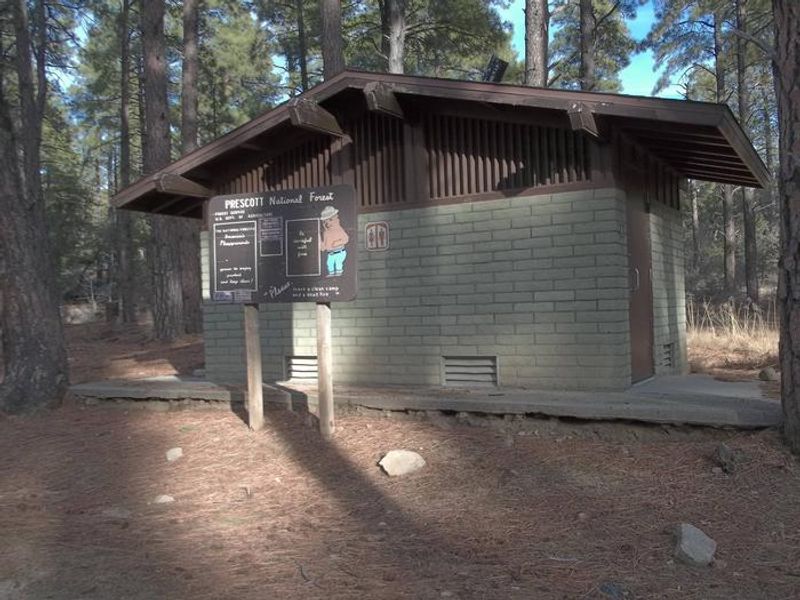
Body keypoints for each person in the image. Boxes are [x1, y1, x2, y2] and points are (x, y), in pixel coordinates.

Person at [319, 206, 349, 276]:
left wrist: (337, 242)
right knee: (329, 263)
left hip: (339, 252)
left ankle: (339, 273)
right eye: (325, 221)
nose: (327, 223)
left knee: (338, 263)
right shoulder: (325, 233)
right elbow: (325, 245)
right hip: (330, 254)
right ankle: (331, 274)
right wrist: (321, 244)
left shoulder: (339, 229)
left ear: (336, 219)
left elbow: (346, 239)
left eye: (330, 220)